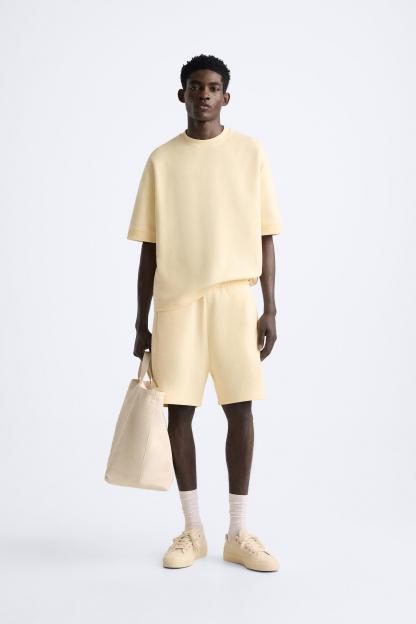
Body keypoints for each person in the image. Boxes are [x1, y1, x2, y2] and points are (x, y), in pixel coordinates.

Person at [127, 54, 283, 572]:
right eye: (195, 87)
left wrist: (271, 307)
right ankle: (192, 530)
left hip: (235, 298)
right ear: (183, 95)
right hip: (177, 302)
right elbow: (149, 248)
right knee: (179, 412)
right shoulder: (162, 160)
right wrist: (140, 321)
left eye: (213, 87)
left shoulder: (250, 152)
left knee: (240, 408)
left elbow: (266, 235)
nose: (204, 95)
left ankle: (238, 531)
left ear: (226, 97)